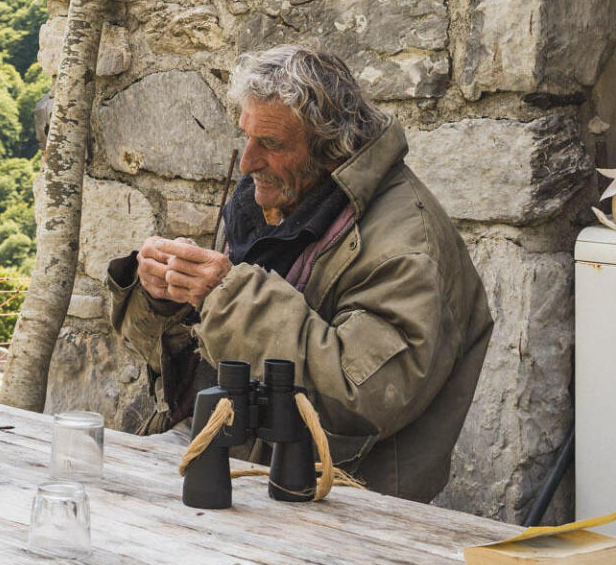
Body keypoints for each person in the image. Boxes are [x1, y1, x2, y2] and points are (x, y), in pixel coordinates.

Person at [106, 44, 493, 502]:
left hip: (335, 502)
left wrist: (226, 297)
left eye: (270, 144)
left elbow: (361, 398)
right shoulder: (272, 198)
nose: (248, 162)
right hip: (231, 465)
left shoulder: (408, 248)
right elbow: (190, 355)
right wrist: (164, 295)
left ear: (331, 149)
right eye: (246, 136)